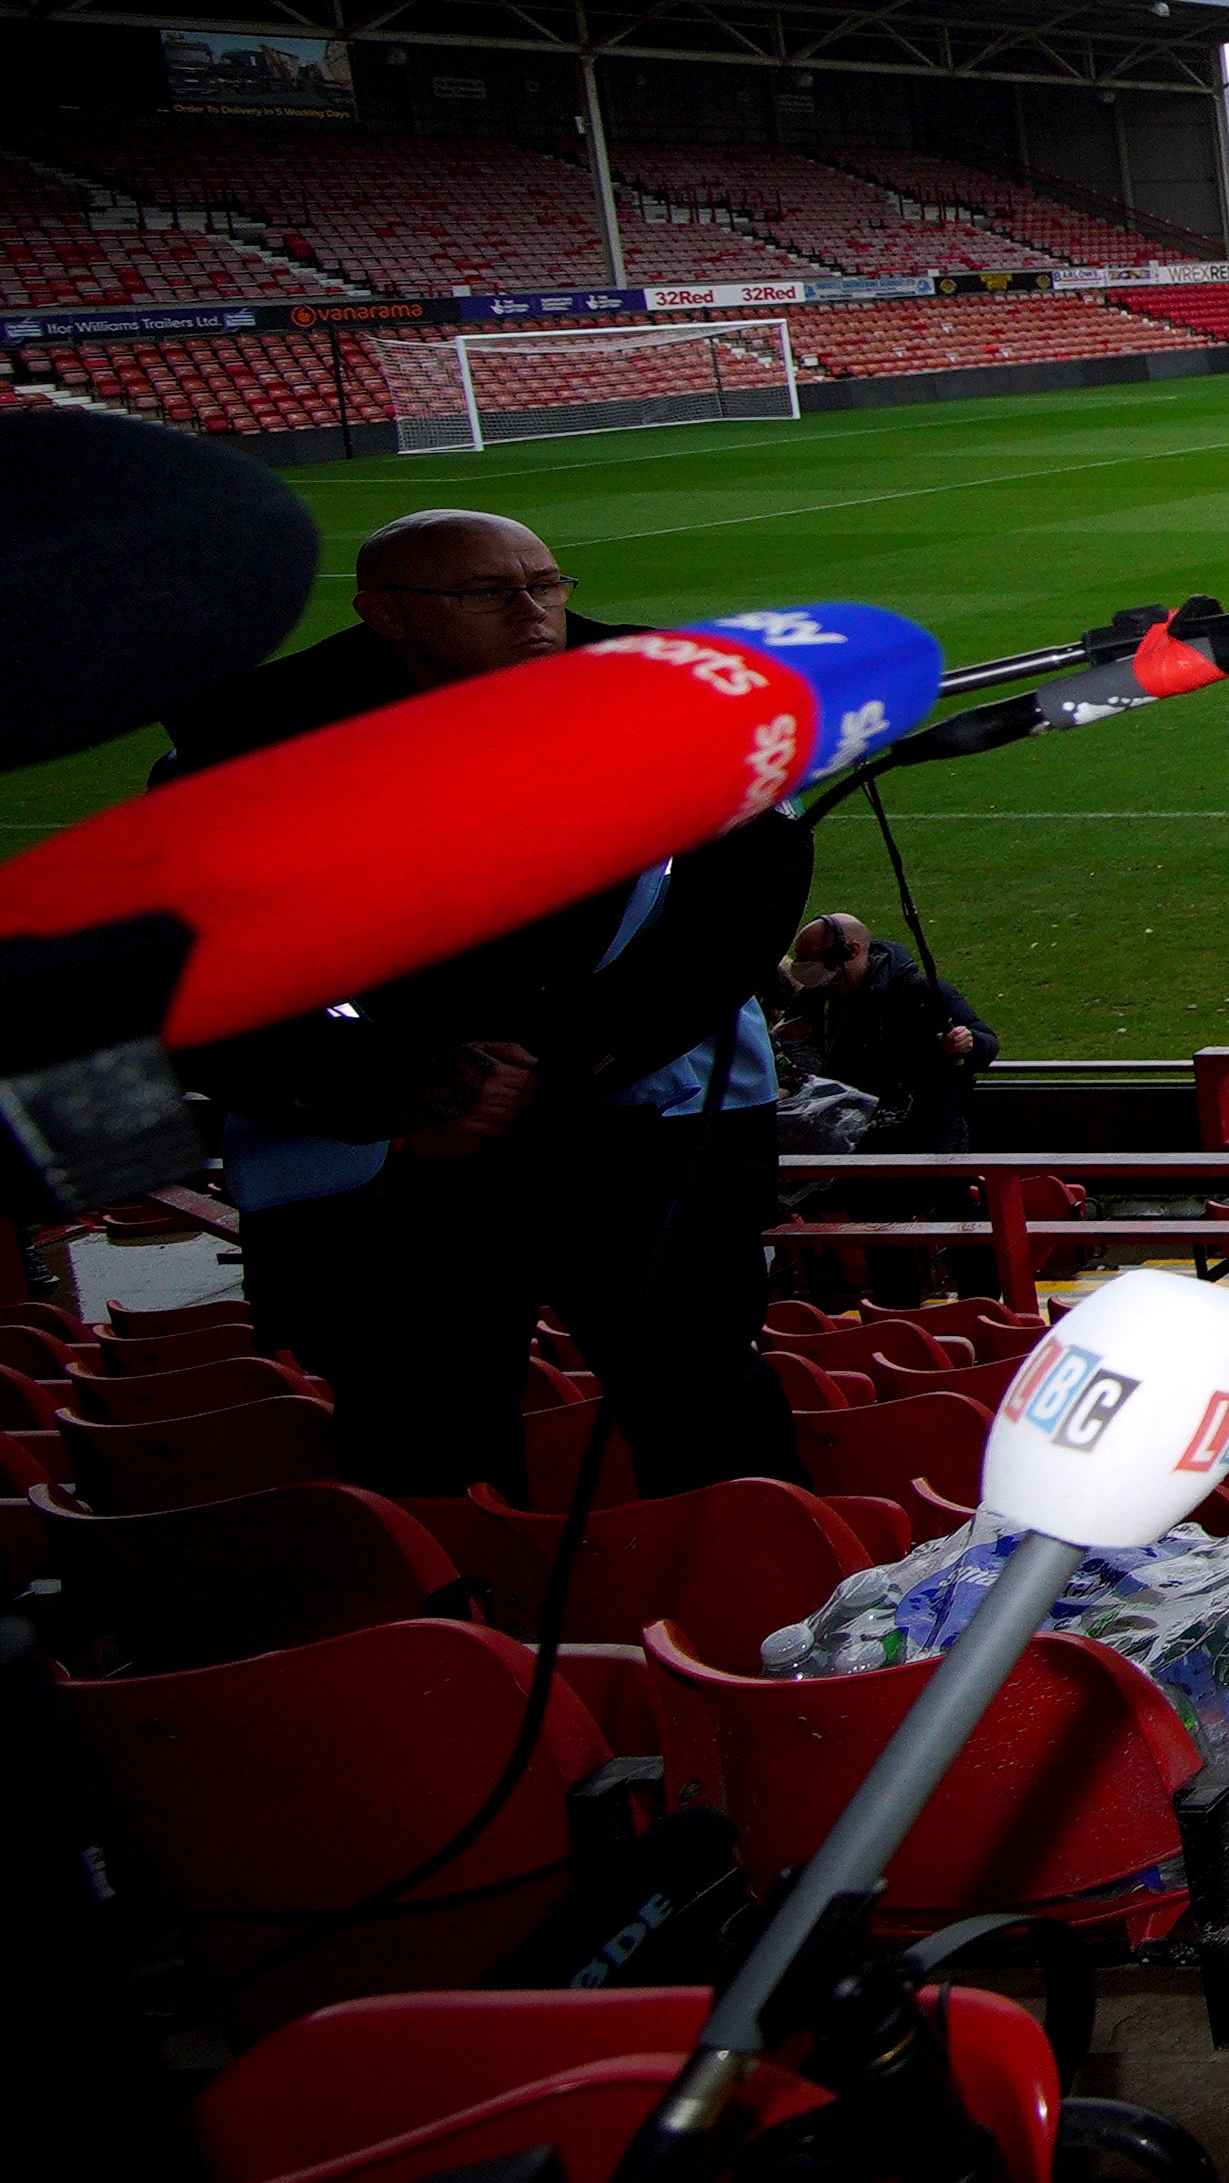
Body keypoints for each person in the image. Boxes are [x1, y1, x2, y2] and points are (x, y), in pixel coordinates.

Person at [164, 507, 806, 1497]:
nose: (530, 609)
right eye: (484, 591)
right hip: (393, 1156)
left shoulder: (683, 702)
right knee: (421, 1416)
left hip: (644, 1127)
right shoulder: (244, 748)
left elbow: (734, 915)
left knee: (701, 1396)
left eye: (547, 583)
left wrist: (549, 1063)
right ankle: (462, 1635)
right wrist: (402, 1084)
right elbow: (189, 968)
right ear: (386, 614)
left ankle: (763, 1617)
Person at [778, 909, 992, 1151]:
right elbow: (795, 1059)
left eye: (812, 958)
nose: (804, 969)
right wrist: (783, 1041)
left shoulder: (918, 991)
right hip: (848, 1136)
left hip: (924, 1139)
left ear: (851, 951)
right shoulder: (812, 998)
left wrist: (968, 1041)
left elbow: (987, 1044)